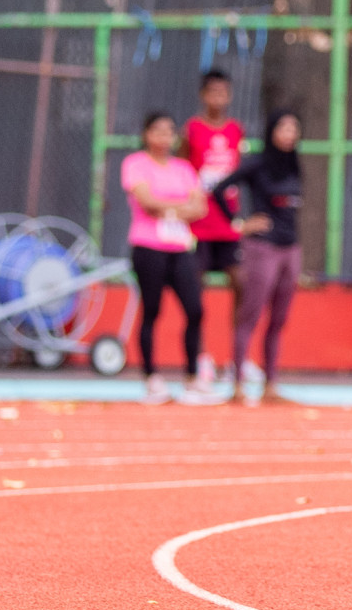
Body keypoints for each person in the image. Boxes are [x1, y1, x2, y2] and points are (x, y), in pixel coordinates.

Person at [122, 112, 219, 405]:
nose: (165, 137)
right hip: (148, 246)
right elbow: (147, 202)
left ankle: (192, 377)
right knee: (152, 310)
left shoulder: (184, 168)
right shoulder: (135, 164)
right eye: (158, 131)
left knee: (195, 310)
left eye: (170, 131)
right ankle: (151, 377)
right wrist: (180, 206)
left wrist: (169, 210)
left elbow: (200, 207)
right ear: (146, 135)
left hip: (180, 247)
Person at [213, 111, 303, 404]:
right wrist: (239, 223)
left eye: (294, 128)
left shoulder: (294, 166)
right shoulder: (258, 164)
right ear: (271, 131)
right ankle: (237, 384)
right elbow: (219, 189)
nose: (289, 133)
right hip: (263, 248)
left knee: (279, 319)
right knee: (250, 314)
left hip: (291, 248)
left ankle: (271, 385)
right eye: (283, 127)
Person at [181, 68, 244, 382]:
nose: (218, 98)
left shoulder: (235, 130)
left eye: (224, 92)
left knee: (242, 285)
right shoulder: (191, 129)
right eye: (213, 92)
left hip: (229, 227)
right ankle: (201, 356)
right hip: (199, 226)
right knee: (196, 293)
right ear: (203, 95)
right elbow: (182, 171)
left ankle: (237, 358)